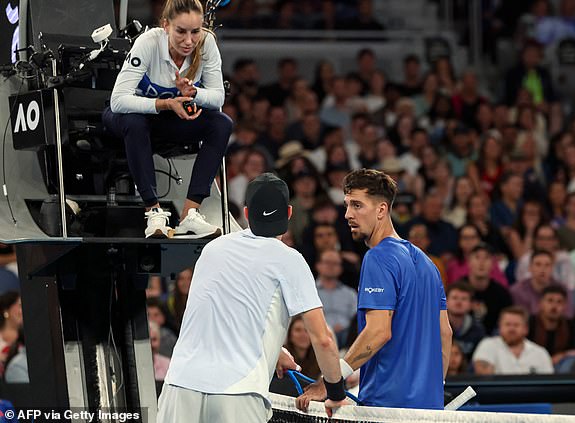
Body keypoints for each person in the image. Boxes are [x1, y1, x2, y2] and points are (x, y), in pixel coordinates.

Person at [158, 173, 347, 422]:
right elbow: (322, 339)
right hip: (237, 392)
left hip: (179, 387)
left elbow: (217, 312)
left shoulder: (212, 248)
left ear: (246, 214)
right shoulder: (290, 259)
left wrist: (273, 350)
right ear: (289, 213)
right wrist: (334, 390)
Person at [298, 169, 452, 410]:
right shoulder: (428, 264)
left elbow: (379, 332)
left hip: (386, 407)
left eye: (357, 205)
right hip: (429, 409)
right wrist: (434, 388)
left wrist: (332, 382)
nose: (348, 214)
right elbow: (445, 334)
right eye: (347, 205)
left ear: (381, 210)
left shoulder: (378, 257)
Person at [103, 0, 233, 238]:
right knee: (135, 121)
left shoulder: (207, 43)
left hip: (169, 119)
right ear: (165, 25)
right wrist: (165, 103)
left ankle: (190, 214)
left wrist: (193, 93)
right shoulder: (148, 42)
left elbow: (217, 99)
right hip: (127, 119)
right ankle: (153, 213)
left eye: (195, 32)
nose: (189, 41)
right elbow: (118, 101)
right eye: (181, 32)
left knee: (222, 124)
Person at [473, 306, 554, 375]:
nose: (511, 329)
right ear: (500, 327)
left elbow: (548, 385)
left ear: (526, 329)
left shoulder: (540, 353)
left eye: (516, 325)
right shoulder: (487, 345)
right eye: (507, 324)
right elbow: (484, 379)